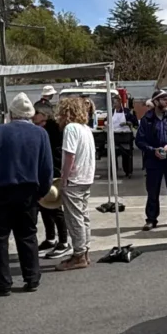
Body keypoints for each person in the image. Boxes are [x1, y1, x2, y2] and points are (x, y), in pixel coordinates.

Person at [0, 93, 54, 295]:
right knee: (28, 236)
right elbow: (47, 169)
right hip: (28, 192)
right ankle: (32, 278)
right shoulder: (40, 134)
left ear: (11, 113)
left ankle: (3, 283)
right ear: (30, 114)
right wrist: (41, 192)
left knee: (0, 239)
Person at [54, 96, 97, 271]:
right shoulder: (86, 128)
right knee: (83, 215)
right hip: (86, 177)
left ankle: (79, 254)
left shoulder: (71, 128)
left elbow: (70, 155)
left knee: (74, 218)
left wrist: (64, 177)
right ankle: (84, 251)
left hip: (75, 178)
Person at [135, 89, 167, 230]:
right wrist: (153, 151)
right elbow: (139, 141)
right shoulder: (147, 120)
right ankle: (151, 219)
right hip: (153, 162)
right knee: (153, 191)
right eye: (164, 99)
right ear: (156, 102)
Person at [32, 101, 70, 260]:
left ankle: (63, 241)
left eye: (37, 116)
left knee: (54, 206)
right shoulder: (42, 127)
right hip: (43, 170)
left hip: (53, 170)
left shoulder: (54, 129)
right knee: (44, 205)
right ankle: (50, 237)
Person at [110, 96, 138, 177]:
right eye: (113, 103)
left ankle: (128, 171)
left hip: (126, 136)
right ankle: (113, 172)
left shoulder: (128, 112)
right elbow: (106, 121)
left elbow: (136, 124)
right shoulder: (111, 112)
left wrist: (128, 123)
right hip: (115, 136)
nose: (114, 105)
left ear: (120, 102)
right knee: (113, 155)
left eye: (115, 103)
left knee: (127, 155)